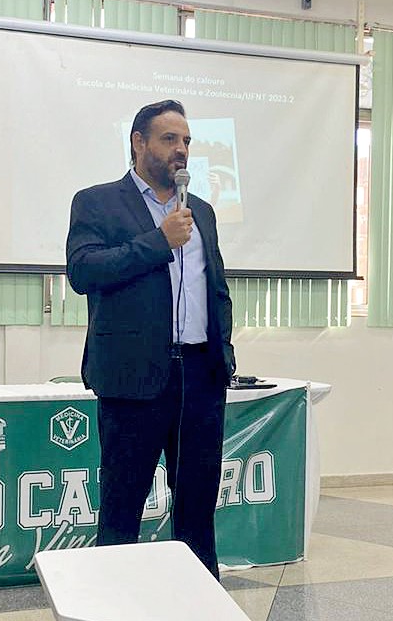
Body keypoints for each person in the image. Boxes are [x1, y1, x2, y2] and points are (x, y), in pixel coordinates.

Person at [65, 100, 236, 579]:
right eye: (169, 139)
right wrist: (157, 241)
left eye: (186, 141)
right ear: (138, 142)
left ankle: (199, 603)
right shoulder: (96, 201)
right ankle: (112, 606)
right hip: (133, 380)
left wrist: (224, 355)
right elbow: (83, 270)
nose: (180, 150)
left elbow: (215, 287)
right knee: (122, 508)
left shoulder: (199, 210)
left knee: (198, 506)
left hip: (200, 379)